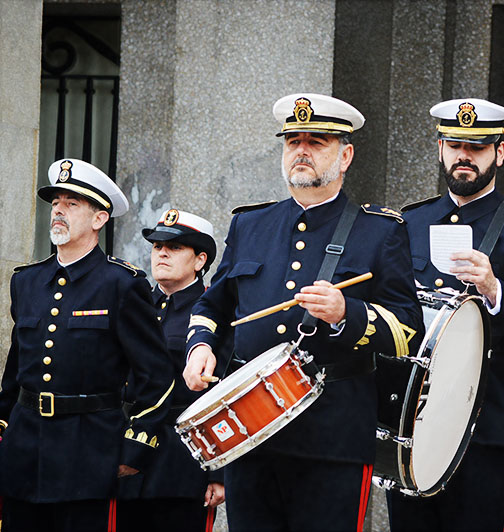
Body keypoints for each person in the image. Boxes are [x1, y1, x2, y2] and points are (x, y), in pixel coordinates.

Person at [182, 93, 424, 532]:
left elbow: (408, 329)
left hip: (333, 438)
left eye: (317, 142)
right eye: (293, 141)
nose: (302, 151)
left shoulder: (380, 231)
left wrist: (347, 313)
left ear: (345, 155)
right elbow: (212, 304)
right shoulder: (249, 225)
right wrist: (200, 346)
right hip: (251, 435)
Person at [390, 98, 504, 531]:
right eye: (454, 144)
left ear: (499, 153)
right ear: (441, 149)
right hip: (414, 419)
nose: (463, 156)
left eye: (477, 147)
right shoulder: (409, 221)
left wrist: (494, 288)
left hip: (485, 427)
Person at [0, 159, 175, 531]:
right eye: (56, 202)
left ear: (99, 219)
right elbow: (16, 368)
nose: (59, 210)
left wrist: (136, 446)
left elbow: (156, 375)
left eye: (73, 203)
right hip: (24, 452)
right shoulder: (27, 281)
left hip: (88, 454)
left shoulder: (122, 285)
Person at [117, 209, 225, 532]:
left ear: (200, 260)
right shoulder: (135, 304)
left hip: (181, 463)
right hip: (128, 454)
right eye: (156, 246)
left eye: (175, 247)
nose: (161, 252)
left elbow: (224, 395)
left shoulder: (211, 315)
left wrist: (220, 473)